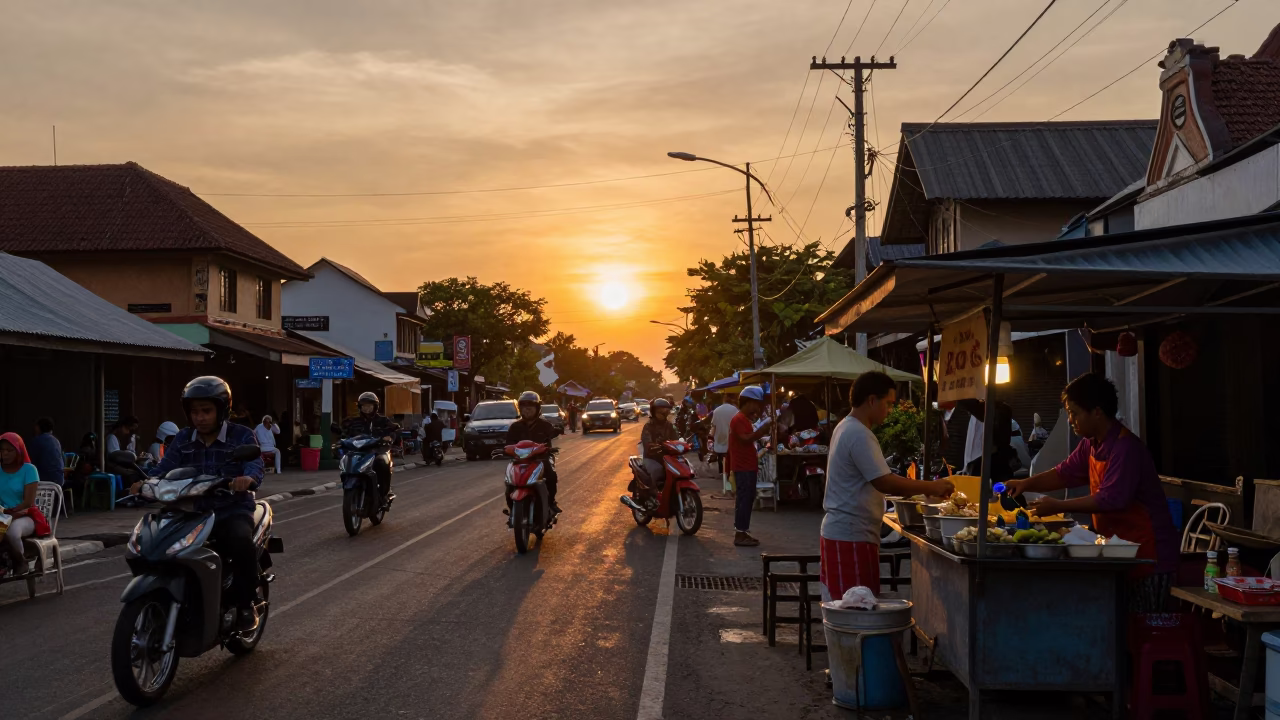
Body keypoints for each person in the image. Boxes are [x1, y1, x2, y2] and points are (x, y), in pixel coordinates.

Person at [1006, 373, 1178, 612]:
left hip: (1148, 555)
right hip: (1117, 552)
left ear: (1097, 411)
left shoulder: (1126, 448)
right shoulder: (1091, 443)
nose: (1070, 420)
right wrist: (1026, 484)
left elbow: (1111, 499)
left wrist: (1058, 506)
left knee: (1143, 633)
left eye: (1074, 413)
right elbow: (1064, 473)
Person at [140, 376, 264, 631]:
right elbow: (164, 468)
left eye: (206, 411)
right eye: (195, 412)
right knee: (152, 540)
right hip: (189, 510)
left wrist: (247, 478)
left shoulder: (242, 435)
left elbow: (254, 463)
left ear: (222, 410)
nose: (200, 417)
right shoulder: (182, 439)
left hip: (231, 509)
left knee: (240, 540)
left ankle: (245, 604)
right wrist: (144, 481)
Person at [821, 372, 954, 600]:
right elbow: (884, 481)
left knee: (856, 605)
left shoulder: (847, 427)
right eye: (889, 404)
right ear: (872, 400)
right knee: (855, 609)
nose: (890, 410)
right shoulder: (857, 433)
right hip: (850, 533)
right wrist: (930, 487)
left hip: (851, 532)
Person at [728, 386, 774, 547]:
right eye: (756, 403)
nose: (758, 408)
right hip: (743, 466)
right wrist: (763, 429)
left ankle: (743, 531)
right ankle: (740, 533)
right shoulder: (739, 419)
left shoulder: (744, 419)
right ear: (749, 402)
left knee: (747, 499)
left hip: (748, 465)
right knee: (744, 499)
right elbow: (746, 438)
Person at [505, 391, 561, 514]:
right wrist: (506, 450)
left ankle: (551, 502)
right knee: (509, 481)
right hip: (520, 460)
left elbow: (552, 434)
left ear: (538, 408)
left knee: (551, 476)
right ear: (520, 409)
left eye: (530, 407)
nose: (527, 410)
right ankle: (513, 508)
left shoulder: (545, 425)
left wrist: (550, 447)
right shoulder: (515, 427)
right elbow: (508, 443)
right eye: (524, 407)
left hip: (541, 459)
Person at [0, 432, 47, 576]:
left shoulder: (29, 470)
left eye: (9, 450)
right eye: (1, 450)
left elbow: (28, 502)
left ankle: (19, 563)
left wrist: (11, 515)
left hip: (25, 515)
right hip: (3, 514)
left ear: (19, 450)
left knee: (12, 532)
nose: (4, 454)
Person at [341, 392, 400, 502]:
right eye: (364, 406)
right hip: (360, 451)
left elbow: (392, 430)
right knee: (346, 461)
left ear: (375, 407)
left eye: (369, 406)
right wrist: (342, 437)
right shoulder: (354, 421)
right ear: (360, 407)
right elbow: (345, 432)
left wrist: (389, 437)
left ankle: (384, 493)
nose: (367, 408)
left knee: (383, 464)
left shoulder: (383, 420)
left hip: (378, 451)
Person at [640, 398, 679, 491]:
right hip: (652, 458)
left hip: (669, 457)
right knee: (657, 472)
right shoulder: (649, 426)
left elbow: (677, 439)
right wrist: (654, 446)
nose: (663, 412)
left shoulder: (670, 425)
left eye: (665, 410)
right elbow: (647, 443)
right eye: (660, 410)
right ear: (654, 411)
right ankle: (653, 495)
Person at [710, 394, 738, 493]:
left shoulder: (716, 410)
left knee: (722, 460)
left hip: (720, 439)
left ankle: (725, 481)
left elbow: (713, 425)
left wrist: (711, 437)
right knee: (731, 463)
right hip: (732, 440)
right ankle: (731, 484)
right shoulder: (735, 410)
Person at [28, 417, 65, 487]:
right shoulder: (56, 441)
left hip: (45, 480)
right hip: (59, 481)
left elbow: (30, 462)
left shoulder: (37, 440)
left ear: (39, 427)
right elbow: (63, 460)